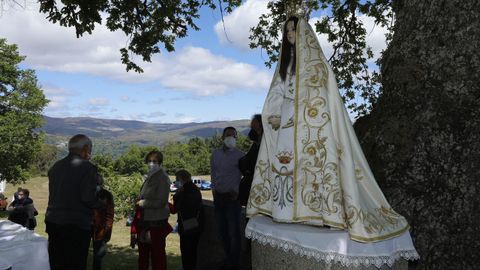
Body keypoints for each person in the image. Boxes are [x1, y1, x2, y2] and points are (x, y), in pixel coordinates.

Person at [246, 16, 410, 243]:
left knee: (312, 165)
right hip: (285, 126)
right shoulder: (285, 64)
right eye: (287, 32)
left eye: (293, 30)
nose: (290, 35)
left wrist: (298, 113)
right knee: (285, 165)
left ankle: (315, 212)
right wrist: (274, 115)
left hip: (308, 126)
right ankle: (284, 210)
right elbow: (277, 92)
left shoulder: (317, 64)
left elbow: (323, 98)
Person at [45, 134, 104, 270]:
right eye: (90, 149)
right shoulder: (87, 168)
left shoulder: (56, 166)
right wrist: (100, 203)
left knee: (57, 262)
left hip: (53, 222)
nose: (90, 153)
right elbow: (87, 197)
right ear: (84, 148)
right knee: (75, 263)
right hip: (75, 225)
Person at [130, 150, 172, 270]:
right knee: (143, 255)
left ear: (160, 162)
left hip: (156, 223)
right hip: (145, 221)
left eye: (154, 161)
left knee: (157, 256)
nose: (151, 163)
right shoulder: (150, 176)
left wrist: (141, 203)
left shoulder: (163, 178)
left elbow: (161, 201)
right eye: (149, 161)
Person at [211, 127, 245, 270]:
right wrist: (213, 191)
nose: (230, 137)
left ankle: (234, 263)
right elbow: (213, 172)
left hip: (232, 199)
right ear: (222, 137)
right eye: (228, 135)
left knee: (234, 232)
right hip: (219, 198)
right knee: (222, 231)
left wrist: (237, 192)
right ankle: (228, 259)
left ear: (236, 137)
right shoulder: (215, 154)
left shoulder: (241, 155)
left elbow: (246, 176)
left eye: (233, 135)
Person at [170, 169, 203, 270]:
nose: (176, 182)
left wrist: (175, 196)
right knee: (193, 252)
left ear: (181, 178)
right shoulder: (195, 189)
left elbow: (176, 209)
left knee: (186, 252)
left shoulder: (184, 191)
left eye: (176, 179)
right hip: (196, 224)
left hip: (186, 225)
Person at [238, 114, 263, 207]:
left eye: (258, 129)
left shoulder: (266, 144)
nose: (256, 132)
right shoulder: (256, 144)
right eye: (253, 128)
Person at [92, 174, 114, 270]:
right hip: (84, 227)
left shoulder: (107, 195)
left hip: (99, 228)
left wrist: (107, 231)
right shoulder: (86, 193)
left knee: (98, 254)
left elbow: (109, 215)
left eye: (98, 182)